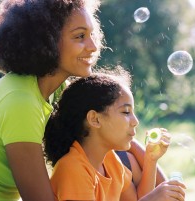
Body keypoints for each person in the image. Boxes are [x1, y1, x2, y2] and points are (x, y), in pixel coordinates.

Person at [0, 0, 104, 200]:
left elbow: (107, 137)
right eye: (80, 36)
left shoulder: (57, 89)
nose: (93, 47)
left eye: (92, 35)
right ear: (47, 40)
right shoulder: (20, 102)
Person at [43, 66, 186, 201]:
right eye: (126, 112)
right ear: (95, 119)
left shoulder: (110, 162)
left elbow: (138, 198)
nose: (135, 121)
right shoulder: (73, 169)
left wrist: (150, 160)